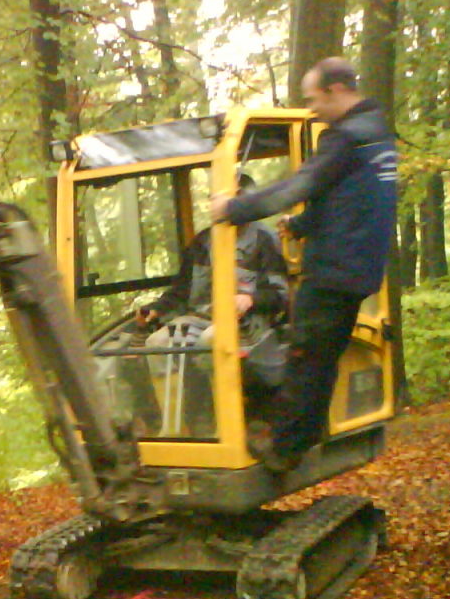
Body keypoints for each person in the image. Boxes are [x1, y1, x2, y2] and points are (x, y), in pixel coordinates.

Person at [212, 56, 397, 471]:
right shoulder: (378, 135)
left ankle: (285, 447)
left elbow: (300, 185)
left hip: (333, 270)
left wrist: (234, 209)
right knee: (322, 356)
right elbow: (348, 199)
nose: (311, 109)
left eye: (313, 99)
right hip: (360, 268)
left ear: (336, 90)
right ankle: (304, 433)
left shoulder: (346, 138)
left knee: (305, 356)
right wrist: (301, 225)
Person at [130, 178, 289, 436]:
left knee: (213, 339)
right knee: (157, 342)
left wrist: (251, 299)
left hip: (251, 323)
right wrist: (157, 308)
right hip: (203, 316)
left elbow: (280, 295)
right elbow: (181, 290)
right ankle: (174, 430)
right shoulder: (203, 242)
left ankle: (224, 427)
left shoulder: (264, 240)